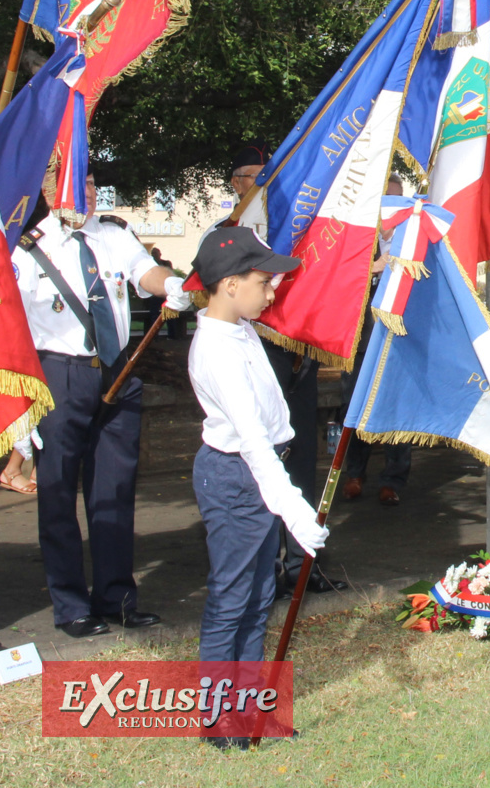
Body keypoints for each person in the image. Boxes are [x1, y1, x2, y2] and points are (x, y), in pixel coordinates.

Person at [13, 172, 190, 638]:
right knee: (56, 493)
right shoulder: (26, 247)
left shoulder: (111, 234)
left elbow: (143, 273)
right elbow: (10, 326)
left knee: (114, 490)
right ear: (48, 189)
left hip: (117, 372)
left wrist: (171, 284)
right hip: (58, 375)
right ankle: (71, 604)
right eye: (76, 181)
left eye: (91, 181)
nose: (88, 191)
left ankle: (116, 596)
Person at [186, 227, 328, 741]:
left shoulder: (239, 327)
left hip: (257, 471)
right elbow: (251, 439)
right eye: (263, 282)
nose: (271, 293)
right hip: (238, 475)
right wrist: (293, 509)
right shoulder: (217, 350)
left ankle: (250, 706)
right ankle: (218, 716)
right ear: (228, 285)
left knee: (259, 592)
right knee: (232, 595)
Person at [212, 142, 345, 599]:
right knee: (259, 460)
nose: (263, 185)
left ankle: (305, 564)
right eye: (254, 176)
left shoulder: (294, 231)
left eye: (270, 177)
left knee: (302, 457)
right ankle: (265, 569)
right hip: (254, 357)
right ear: (235, 183)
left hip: (295, 358)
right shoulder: (224, 236)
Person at [342, 175, 413, 505]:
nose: (393, 207)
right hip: (360, 336)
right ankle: (354, 473)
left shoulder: (410, 239)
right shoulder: (359, 236)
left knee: (396, 402)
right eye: (387, 200)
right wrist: (375, 267)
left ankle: (393, 481)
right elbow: (339, 275)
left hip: (398, 334)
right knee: (354, 402)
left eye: (398, 200)